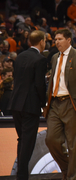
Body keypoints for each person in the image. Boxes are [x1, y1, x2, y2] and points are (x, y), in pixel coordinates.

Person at [44, 29, 76, 180]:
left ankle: (72, 177)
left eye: (59, 39)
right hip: (55, 103)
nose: (56, 42)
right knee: (51, 140)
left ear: (68, 40)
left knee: (74, 145)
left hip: (73, 103)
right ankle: (66, 168)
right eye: (55, 39)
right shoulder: (54, 57)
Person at [8, 30, 47, 180]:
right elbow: (39, 85)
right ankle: (22, 175)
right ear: (42, 41)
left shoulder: (19, 56)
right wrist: (44, 104)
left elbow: (20, 79)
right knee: (28, 142)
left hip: (16, 103)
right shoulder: (40, 59)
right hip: (30, 106)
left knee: (22, 140)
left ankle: (21, 174)